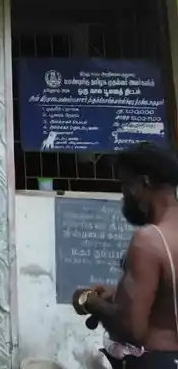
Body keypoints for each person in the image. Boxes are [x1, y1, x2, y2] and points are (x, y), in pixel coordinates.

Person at [72, 142, 178, 369]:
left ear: (144, 182)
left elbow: (131, 329)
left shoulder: (150, 240)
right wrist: (118, 296)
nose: (124, 195)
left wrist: (91, 302)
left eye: (125, 184)